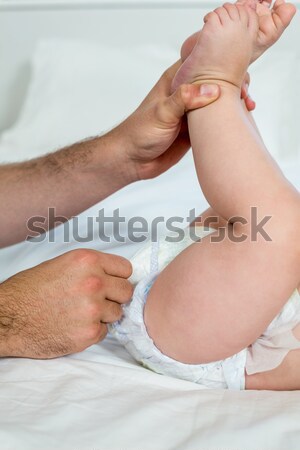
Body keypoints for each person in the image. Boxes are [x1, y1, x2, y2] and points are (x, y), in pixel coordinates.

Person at [110, 0, 300, 391]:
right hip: (235, 300)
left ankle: (215, 81)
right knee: (268, 207)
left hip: (209, 341)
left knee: (274, 221)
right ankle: (220, 87)